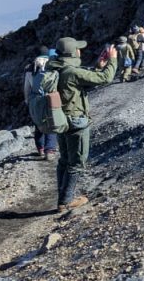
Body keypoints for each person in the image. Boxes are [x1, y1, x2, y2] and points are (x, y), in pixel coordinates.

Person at [47, 37, 117, 210]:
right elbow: (105, 78)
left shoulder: (55, 67)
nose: (80, 50)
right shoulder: (72, 72)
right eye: (78, 48)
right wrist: (113, 59)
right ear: (73, 52)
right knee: (76, 163)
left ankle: (63, 195)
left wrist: (97, 67)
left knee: (64, 160)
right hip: (76, 121)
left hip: (61, 120)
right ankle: (66, 201)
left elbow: (79, 82)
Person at [23, 50, 58, 160]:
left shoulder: (30, 69)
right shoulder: (52, 64)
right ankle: (50, 150)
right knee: (51, 123)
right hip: (50, 98)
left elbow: (27, 88)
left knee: (38, 123)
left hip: (35, 101)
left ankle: (41, 148)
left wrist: (27, 101)